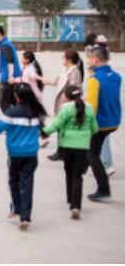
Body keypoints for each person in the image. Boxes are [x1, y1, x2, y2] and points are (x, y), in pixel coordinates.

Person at [0, 83, 47, 231]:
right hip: (31, 154)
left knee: (13, 180)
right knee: (28, 184)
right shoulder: (36, 112)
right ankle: (25, 217)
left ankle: (17, 209)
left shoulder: (12, 113)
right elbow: (43, 130)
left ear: (16, 96)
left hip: (15, 154)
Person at [43, 85, 98, 219]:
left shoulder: (66, 108)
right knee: (77, 176)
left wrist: (44, 132)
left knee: (69, 172)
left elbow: (57, 124)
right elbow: (95, 128)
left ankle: (70, 198)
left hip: (67, 146)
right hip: (83, 147)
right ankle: (76, 206)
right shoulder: (89, 108)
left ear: (67, 97)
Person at [86, 46, 121, 201]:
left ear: (95, 59)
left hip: (101, 123)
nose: (89, 61)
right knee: (95, 148)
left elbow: (92, 107)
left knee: (92, 153)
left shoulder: (94, 79)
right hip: (114, 120)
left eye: (90, 58)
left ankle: (103, 189)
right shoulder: (117, 76)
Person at [41, 50, 84, 161]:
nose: (62, 60)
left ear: (68, 60)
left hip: (67, 105)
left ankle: (63, 153)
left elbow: (75, 89)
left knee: (64, 129)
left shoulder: (74, 72)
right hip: (61, 104)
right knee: (61, 128)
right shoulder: (66, 70)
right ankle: (61, 152)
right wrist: (41, 80)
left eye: (63, 57)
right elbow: (57, 82)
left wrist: (67, 100)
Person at [0, 25, 21, 113]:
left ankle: (10, 119)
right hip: (13, 77)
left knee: (3, 102)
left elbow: (10, 62)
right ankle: (18, 118)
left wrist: (10, 76)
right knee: (14, 101)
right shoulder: (6, 44)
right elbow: (6, 61)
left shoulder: (5, 45)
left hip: (8, 79)